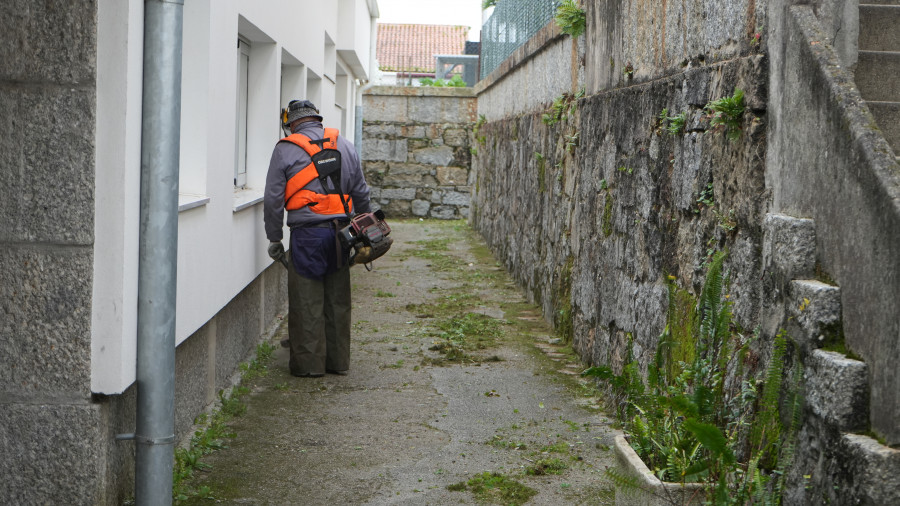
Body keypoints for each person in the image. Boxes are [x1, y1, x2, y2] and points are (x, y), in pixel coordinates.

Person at [264, 100, 371, 377]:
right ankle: (338, 362)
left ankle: (310, 366)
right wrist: (365, 226)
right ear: (317, 120)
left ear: (293, 124)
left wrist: (275, 238)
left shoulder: (285, 149)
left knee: (306, 300)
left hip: (307, 237)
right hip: (342, 235)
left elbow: (274, 199)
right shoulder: (345, 145)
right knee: (337, 299)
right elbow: (361, 191)